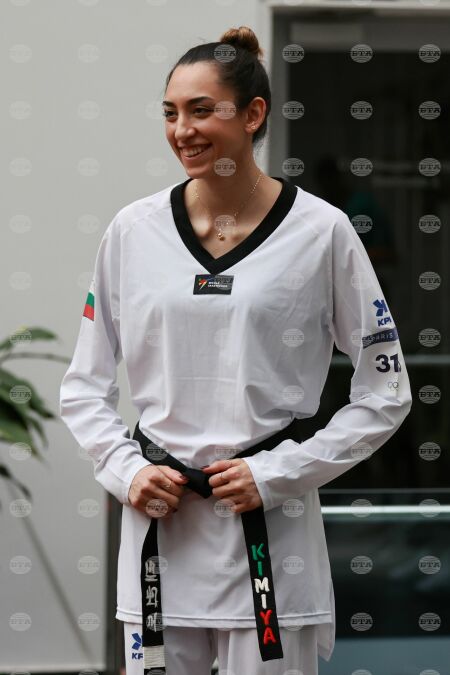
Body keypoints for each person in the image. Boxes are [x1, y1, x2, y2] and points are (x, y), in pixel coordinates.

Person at [59, 25, 412, 675]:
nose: (182, 130)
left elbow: (386, 391)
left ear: (253, 115)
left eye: (201, 110)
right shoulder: (133, 231)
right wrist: (127, 469)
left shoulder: (322, 232)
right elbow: (84, 383)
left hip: (272, 539)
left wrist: (278, 473)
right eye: (170, 112)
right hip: (161, 533)